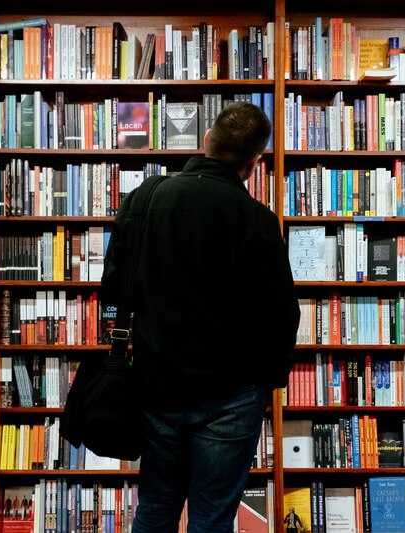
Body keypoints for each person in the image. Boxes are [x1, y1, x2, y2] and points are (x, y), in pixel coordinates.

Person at [102, 101, 300, 533]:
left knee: (154, 508)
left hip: (156, 386)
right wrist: (266, 383)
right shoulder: (258, 221)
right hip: (230, 397)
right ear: (253, 164)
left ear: (207, 139)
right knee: (211, 518)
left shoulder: (143, 200)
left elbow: (113, 291)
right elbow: (282, 316)